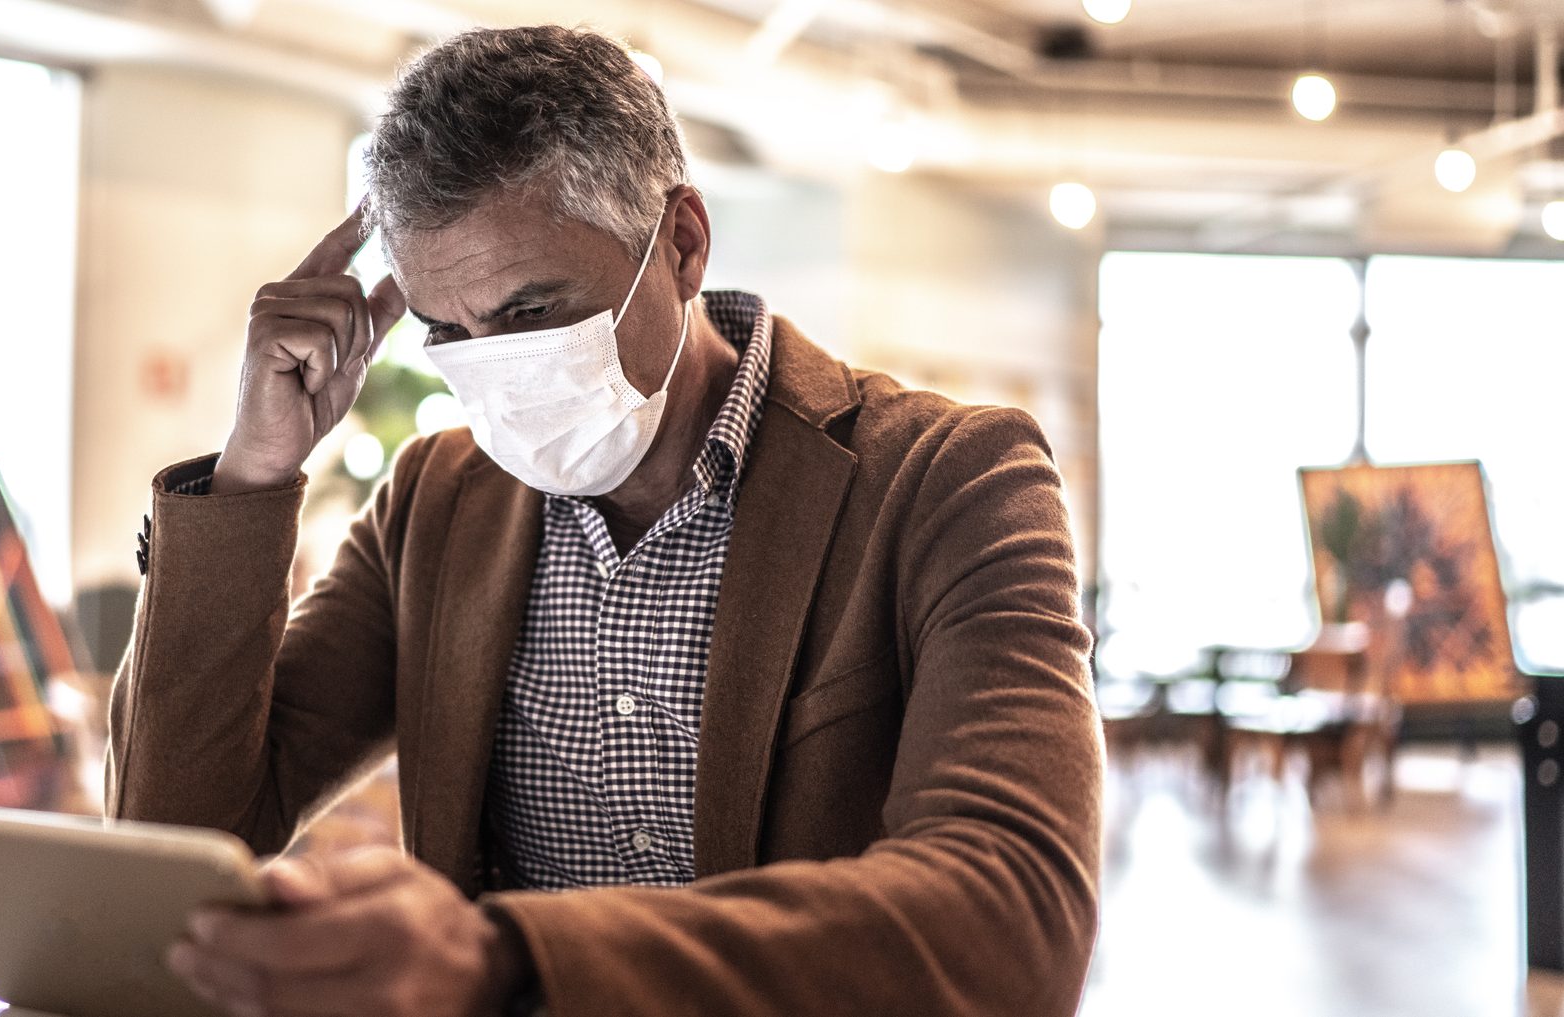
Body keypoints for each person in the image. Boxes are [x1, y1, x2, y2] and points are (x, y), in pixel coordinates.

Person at [106, 24, 1101, 1017]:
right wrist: (253, 471)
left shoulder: (947, 481)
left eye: (532, 312)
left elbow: (1014, 914)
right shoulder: (437, 504)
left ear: (680, 244)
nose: (493, 369)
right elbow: (176, 834)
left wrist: (513, 958)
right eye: (446, 333)